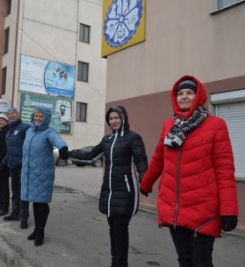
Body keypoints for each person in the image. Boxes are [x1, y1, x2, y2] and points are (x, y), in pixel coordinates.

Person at [140, 75, 238, 267]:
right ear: (174, 98)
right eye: (180, 93)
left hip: (203, 209)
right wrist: (146, 183)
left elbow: (225, 170)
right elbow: (159, 158)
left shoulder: (216, 125)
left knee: (201, 262)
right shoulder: (169, 125)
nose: (184, 97)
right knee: (184, 261)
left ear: (198, 95)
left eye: (189, 93)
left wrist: (229, 211)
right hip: (174, 207)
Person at [70, 106, 148, 266]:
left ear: (123, 118)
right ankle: (116, 262)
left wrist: (145, 180)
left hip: (125, 193)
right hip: (109, 193)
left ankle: (119, 263)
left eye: (116, 117)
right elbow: (91, 156)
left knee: (120, 231)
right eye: (111, 118)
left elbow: (141, 160)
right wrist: (69, 153)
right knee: (113, 230)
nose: (113, 121)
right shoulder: (107, 140)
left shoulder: (133, 138)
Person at [22, 106, 69, 246]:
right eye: (36, 116)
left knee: (41, 204)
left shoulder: (49, 132)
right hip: (29, 173)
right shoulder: (29, 131)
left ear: (46, 118)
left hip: (43, 174)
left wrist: (63, 148)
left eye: (40, 116)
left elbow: (57, 140)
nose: (37, 119)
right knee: (35, 203)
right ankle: (36, 230)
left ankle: (40, 231)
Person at [2, 107, 30, 229]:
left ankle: (24, 217)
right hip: (13, 165)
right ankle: (15, 213)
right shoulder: (9, 131)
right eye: (9, 114)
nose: (11, 115)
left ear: (17, 115)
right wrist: (4, 161)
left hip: (22, 166)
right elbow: (9, 150)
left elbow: (29, 145)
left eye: (13, 113)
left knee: (23, 192)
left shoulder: (25, 127)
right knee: (15, 191)